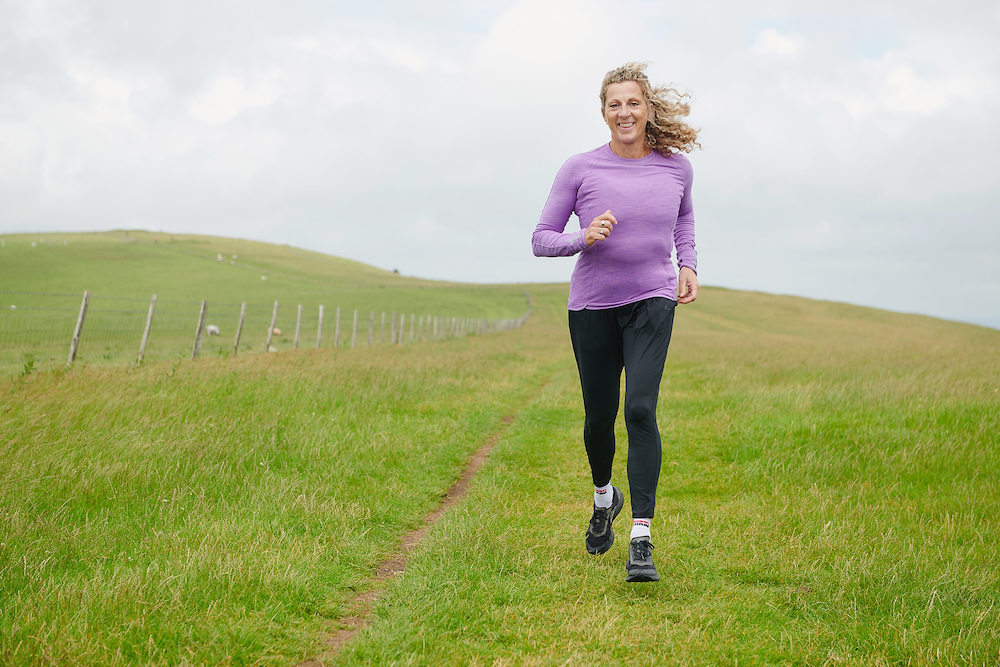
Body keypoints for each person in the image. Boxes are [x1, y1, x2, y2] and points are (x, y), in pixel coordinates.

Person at [531, 62, 700, 582]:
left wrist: (687, 263)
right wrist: (583, 238)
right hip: (592, 307)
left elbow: (684, 218)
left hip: (652, 299)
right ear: (603, 113)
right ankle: (605, 497)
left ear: (648, 109)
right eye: (614, 105)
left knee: (641, 410)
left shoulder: (675, 169)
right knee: (598, 419)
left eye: (633, 103)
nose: (624, 112)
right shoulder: (580, 168)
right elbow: (541, 239)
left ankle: (642, 539)